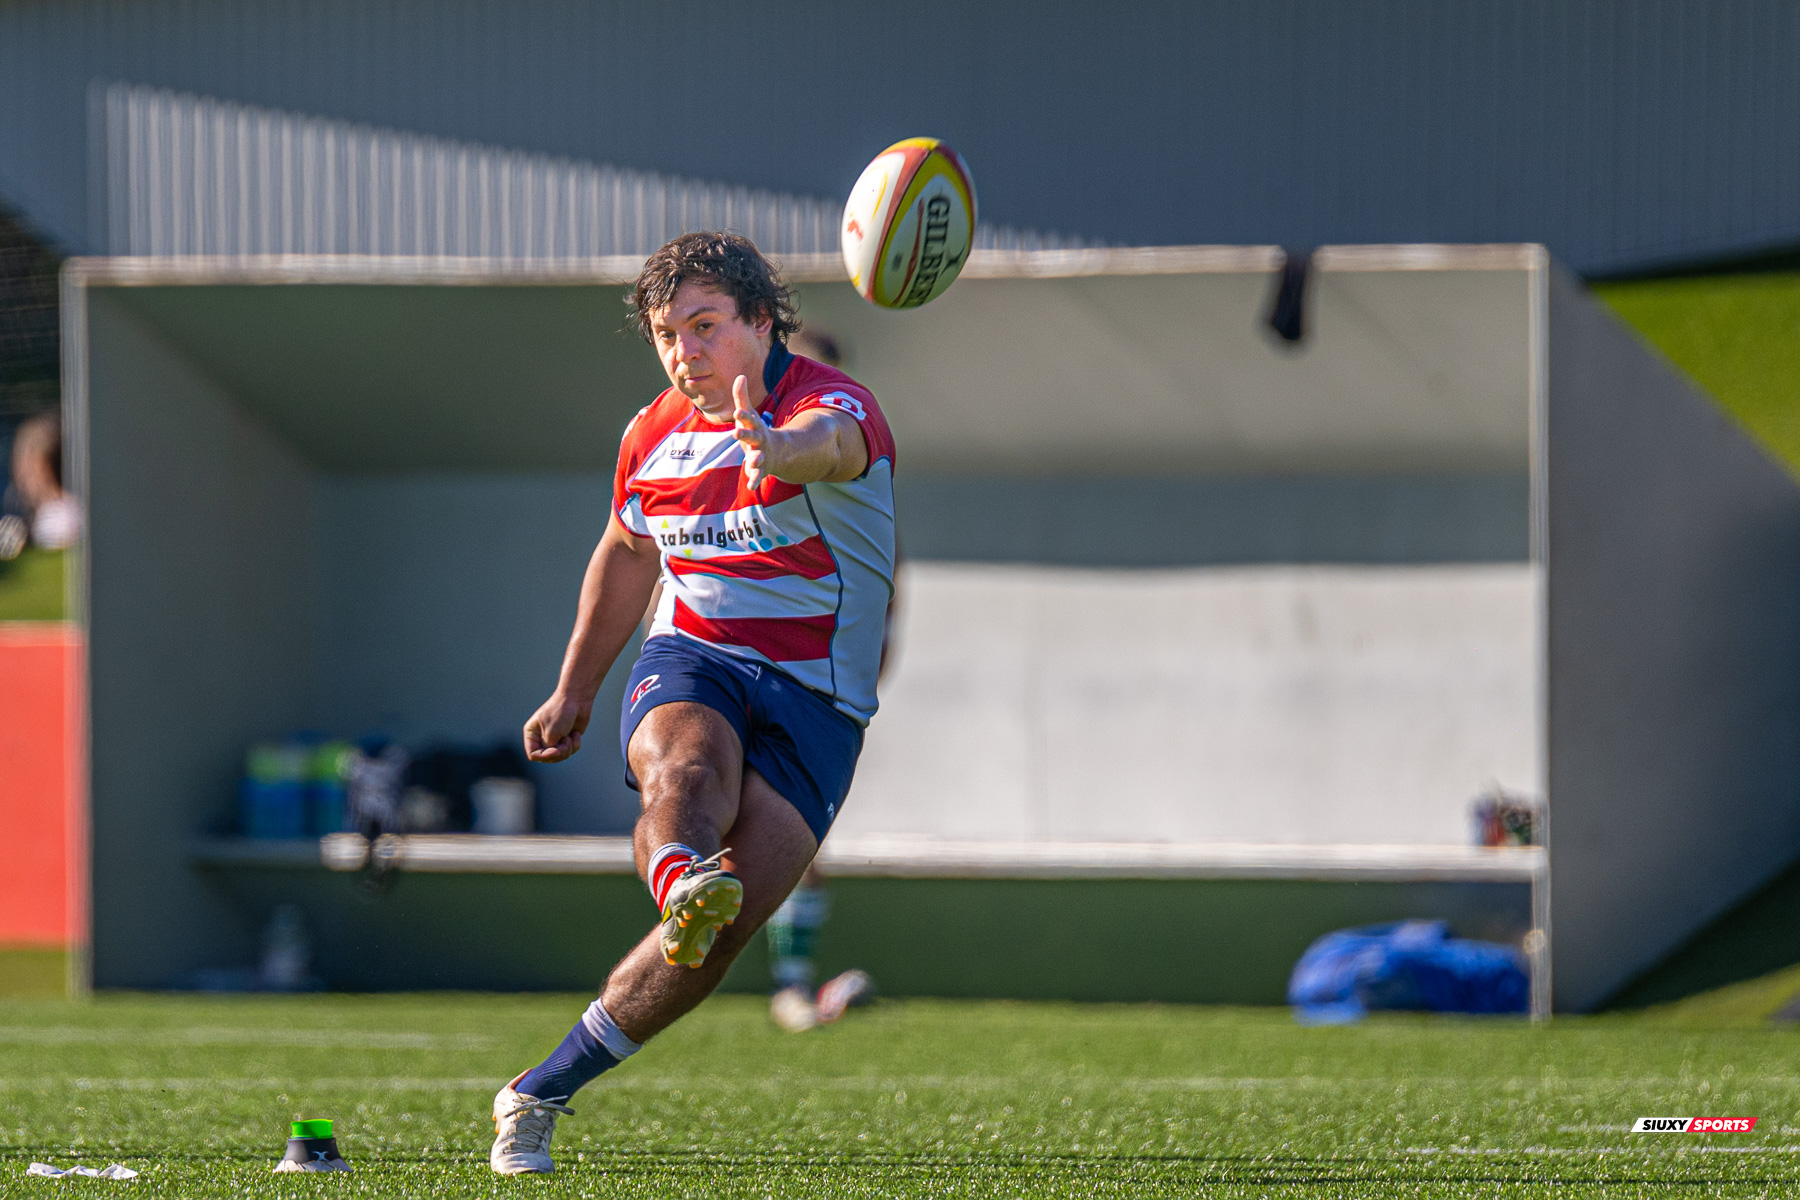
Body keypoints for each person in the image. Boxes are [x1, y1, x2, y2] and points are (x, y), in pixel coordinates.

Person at [490, 232, 897, 1176]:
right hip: (696, 657)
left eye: (706, 327)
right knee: (687, 771)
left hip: (819, 703)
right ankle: (678, 871)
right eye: (667, 336)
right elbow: (629, 553)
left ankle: (538, 1090)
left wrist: (776, 446)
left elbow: (830, 448)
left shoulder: (829, 405)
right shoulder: (651, 433)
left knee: (713, 944)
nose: (686, 352)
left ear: (762, 322)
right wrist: (575, 687)